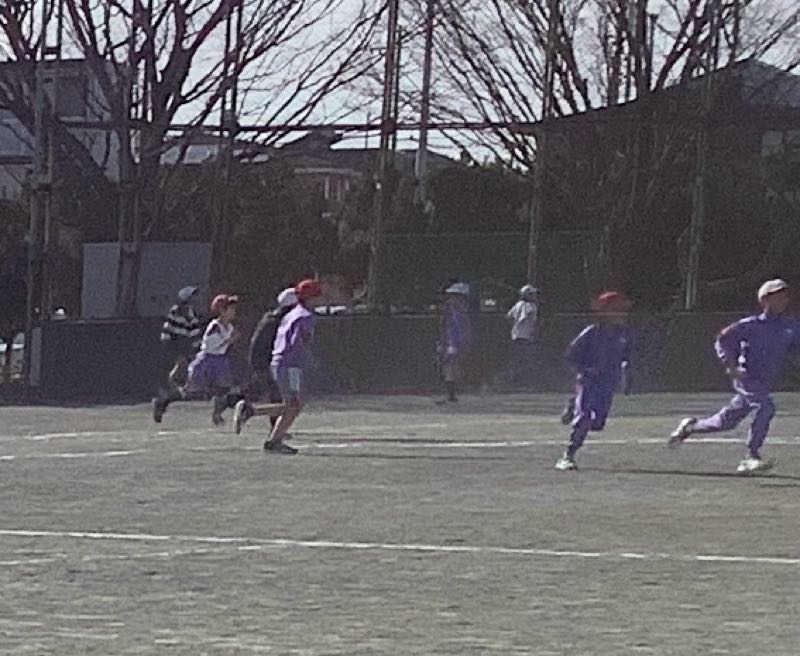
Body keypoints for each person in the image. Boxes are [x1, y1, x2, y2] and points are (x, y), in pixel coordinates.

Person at [669, 279, 800, 474]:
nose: (784, 300)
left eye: (785, 296)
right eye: (778, 296)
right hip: (746, 378)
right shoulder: (750, 325)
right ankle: (751, 457)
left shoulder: (790, 326)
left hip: (764, 382)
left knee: (725, 422)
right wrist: (730, 366)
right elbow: (722, 340)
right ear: (764, 300)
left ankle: (689, 428)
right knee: (766, 408)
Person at [555, 291, 633, 471]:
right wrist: (584, 371)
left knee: (597, 423)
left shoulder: (624, 334)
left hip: (609, 382)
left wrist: (627, 377)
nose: (621, 313)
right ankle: (568, 455)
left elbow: (626, 358)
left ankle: (573, 405)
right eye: (616, 309)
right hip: (588, 381)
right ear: (605, 311)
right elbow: (571, 355)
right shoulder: (591, 333)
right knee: (584, 417)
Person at [153, 294, 240, 426]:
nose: (233, 311)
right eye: (230, 309)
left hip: (221, 360)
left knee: (224, 389)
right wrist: (229, 340)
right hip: (207, 360)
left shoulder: (229, 327)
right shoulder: (215, 326)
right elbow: (211, 345)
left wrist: (230, 340)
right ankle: (162, 402)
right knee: (191, 392)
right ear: (221, 311)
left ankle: (217, 414)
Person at [260, 279, 323, 455]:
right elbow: (299, 341)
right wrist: (309, 359)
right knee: (293, 404)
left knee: (295, 404)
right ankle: (251, 411)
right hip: (290, 365)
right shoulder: (307, 316)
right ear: (311, 298)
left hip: (281, 362)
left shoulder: (293, 313)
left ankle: (274, 440)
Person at [232, 287, 298, 435]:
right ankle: (246, 409)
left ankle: (273, 426)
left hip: (262, 360)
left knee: (273, 394)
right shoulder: (279, 322)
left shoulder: (272, 317)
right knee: (282, 397)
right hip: (266, 361)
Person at [154, 286, 202, 401]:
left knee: (188, 367)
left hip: (185, 344)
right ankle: (166, 393)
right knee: (170, 370)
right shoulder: (174, 312)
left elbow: (195, 333)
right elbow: (168, 333)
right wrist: (176, 351)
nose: (195, 300)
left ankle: (183, 391)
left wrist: (197, 349)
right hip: (172, 344)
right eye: (192, 297)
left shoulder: (192, 313)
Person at [436, 282, 472, 404]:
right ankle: (451, 393)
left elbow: (456, 326)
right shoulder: (457, 307)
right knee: (450, 366)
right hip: (451, 341)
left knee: (450, 366)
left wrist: (453, 343)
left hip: (453, 341)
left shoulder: (455, 307)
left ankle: (451, 394)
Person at [498, 284, 539, 388]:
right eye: (532, 294)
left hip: (515, 335)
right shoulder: (530, 306)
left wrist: (515, 327)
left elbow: (508, 317)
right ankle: (523, 383)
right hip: (525, 337)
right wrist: (533, 332)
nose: (534, 296)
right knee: (527, 360)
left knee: (517, 359)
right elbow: (529, 319)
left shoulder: (518, 305)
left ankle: (510, 381)